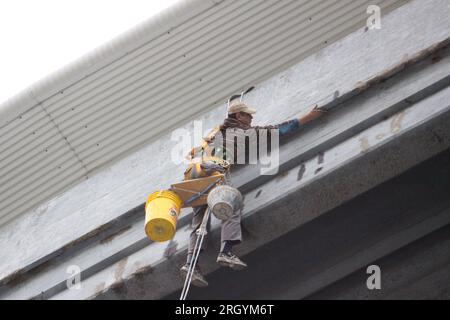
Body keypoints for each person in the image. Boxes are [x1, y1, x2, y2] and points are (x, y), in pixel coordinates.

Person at [180, 101, 327, 287]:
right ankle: (225, 251)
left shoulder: (216, 132)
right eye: (248, 115)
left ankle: (191, 265)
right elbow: (278, 130)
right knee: (230, 203)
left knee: (199, 221)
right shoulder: (243, 132)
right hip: (214, 168)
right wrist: (307, 117)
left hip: (194, 173)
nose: (251, 118)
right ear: (239, 117)